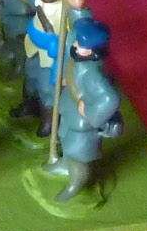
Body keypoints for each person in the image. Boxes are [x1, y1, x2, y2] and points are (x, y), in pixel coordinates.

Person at [12, 0, 91, 136]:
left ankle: (48, 122)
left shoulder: (66, 9)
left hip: (52, 55)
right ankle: (29, 105)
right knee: (30, 77)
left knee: (47, 88)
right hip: (34, 46)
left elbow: (80, 6)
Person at [48, 17, 123, 202]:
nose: (75, 45)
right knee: (65, 140)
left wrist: (89, 112)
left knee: (78, 153)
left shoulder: (92, 72)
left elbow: (109, 99)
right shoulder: (79, 62)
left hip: (81, 122)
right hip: (69, 111)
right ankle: (64, 165)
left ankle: (76, 182)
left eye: (80, 44)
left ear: (92, 50)